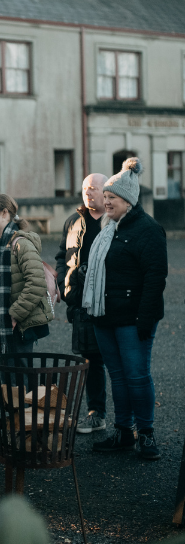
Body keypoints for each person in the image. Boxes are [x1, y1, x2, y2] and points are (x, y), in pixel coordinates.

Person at [82, 158, 167, 460]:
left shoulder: (148, 229)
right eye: (104, 197)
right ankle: (122, 432)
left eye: (111, 198)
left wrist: (146, 319)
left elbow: (155, 277)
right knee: (117, 376)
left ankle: (145, 435)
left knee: (136, 375)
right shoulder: (108, 229)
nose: (105, 202)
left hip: (133, 319)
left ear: (128, 200)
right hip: (105, 317)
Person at [56, 173, 109, 434]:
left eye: (94, 189)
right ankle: (96, 414)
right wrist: (64, 288)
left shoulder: (114, 221)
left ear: (106, 191)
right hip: (81, 304)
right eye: (85, 188)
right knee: (91, 361)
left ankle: (128, 421)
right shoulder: (73, 221)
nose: (88, 193)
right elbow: (61, 256)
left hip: (109, 302)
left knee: (120, 363)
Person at [0, 193, 53, 354]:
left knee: (19, 377)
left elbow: (36, 284)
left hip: (21, 327)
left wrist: (13, 315)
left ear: (4, 213)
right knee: (3, 376)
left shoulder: (22, 244)